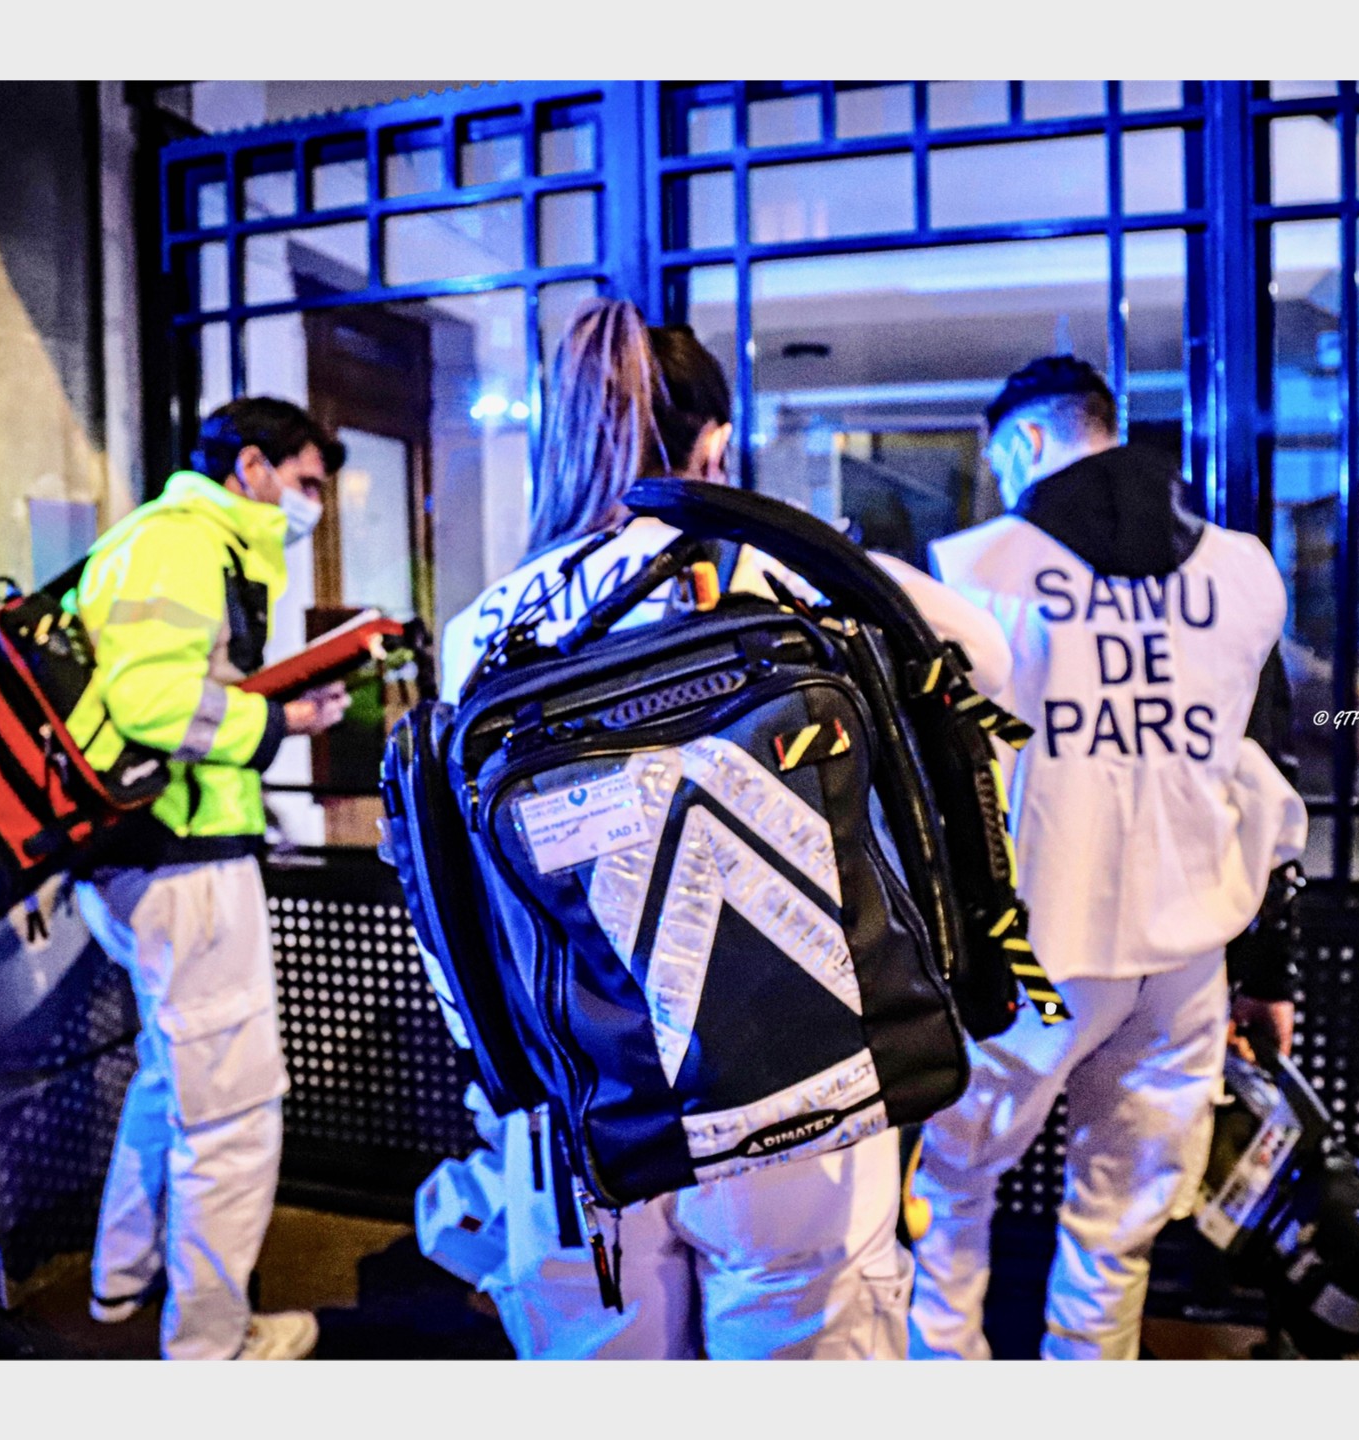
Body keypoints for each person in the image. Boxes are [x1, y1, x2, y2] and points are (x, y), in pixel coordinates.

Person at [416, 300, 1010, 1359]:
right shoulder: (794, 577)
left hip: (586, 1106)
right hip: (800, 1083)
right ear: (717, 446)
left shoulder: (486, 627)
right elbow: (987, 665)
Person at [906, 357, 1308, 1361]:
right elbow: (1266, 776)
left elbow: (933, 787)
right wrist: (1270, 970)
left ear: (1028, 440)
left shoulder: (974, 573)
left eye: (1002, 462)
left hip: (1034, 954)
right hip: (1188, 961)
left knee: (949, 1190)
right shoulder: (1244, 574)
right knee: (1120, 1220)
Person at [67, 398, 353, 1360]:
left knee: (173, 1076)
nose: (313, 503)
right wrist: (280, 723)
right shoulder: (185, 541)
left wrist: (277, 710)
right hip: (182, 863)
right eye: (303, 481)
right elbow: (152, 700)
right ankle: (212, 1352)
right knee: (232, 1116)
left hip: (147, 860)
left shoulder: (166, 538)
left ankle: (120, 1280)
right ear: (250, 466)